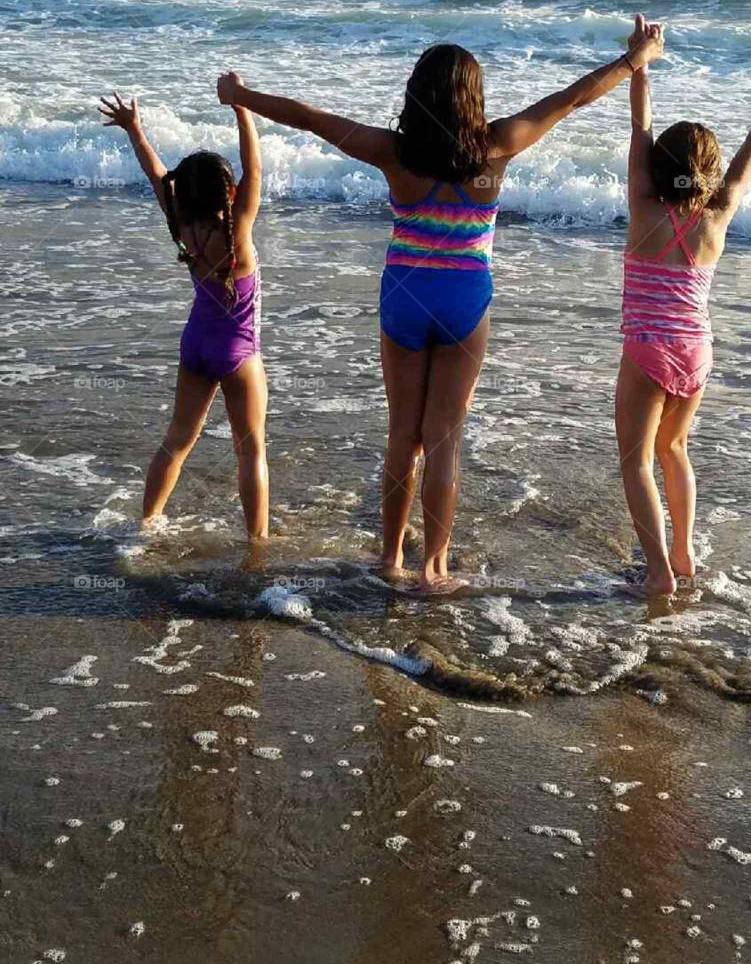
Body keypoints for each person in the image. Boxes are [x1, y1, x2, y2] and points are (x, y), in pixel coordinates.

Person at [216, 33, 657, 592]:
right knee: (444, 438)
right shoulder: (498, 146)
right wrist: (631, 62)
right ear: (474, 96)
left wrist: (240, 95)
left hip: (405, 294)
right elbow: (571, 99)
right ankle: (435, 567)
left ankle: (391, 556)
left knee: (403, 434)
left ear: (416, 94)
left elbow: (309, 119)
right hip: (465, 300)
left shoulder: (394, 151)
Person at [616, 24, 751, 596]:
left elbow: (639, 127)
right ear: (708, 170)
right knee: (673, 448)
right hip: (697, 352)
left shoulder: (642, 206)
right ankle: (681, 552)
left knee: (635, 462)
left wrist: (641, 65)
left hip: (649, 348)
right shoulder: (716, 217)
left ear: (658, 166)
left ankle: (657, 576)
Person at [98, 92, 268, 542]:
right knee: (250, 451)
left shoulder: (180, 224)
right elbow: (256, 171)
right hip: (238, 351)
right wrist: (241, 108)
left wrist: (134, 128)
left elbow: (156, 173)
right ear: (229, 194)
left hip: (195, 346)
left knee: (177, 440)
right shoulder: (240, 233)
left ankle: (147, 523)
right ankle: (257, 543)